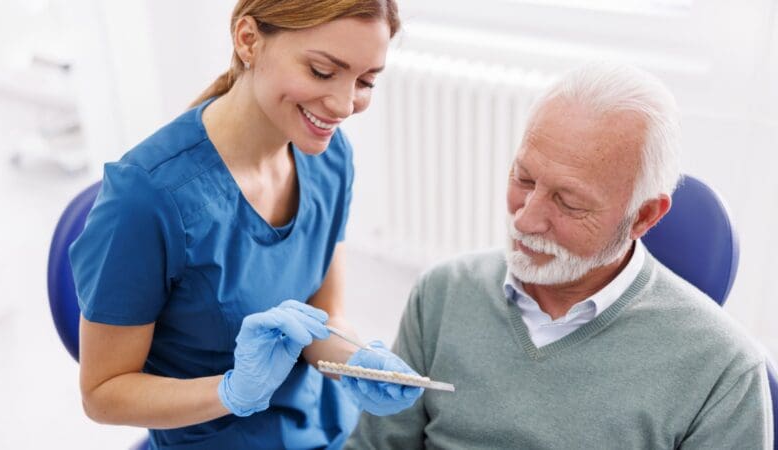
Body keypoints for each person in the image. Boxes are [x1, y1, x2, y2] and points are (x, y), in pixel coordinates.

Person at [345, 63, 774, 449]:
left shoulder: (724, 372)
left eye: (568, 202)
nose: (526, 221)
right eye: (524, 178)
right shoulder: (442, 294)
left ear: (642, 216)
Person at [68, 1, 422, 448]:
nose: (345, 104)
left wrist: (357, 361)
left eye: (367, 80)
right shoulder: (148, 201)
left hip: (325, 425)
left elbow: (325, 317)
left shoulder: (331, 157)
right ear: (248, 40)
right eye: (321, 71)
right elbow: (102, 395)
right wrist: (231, 392)